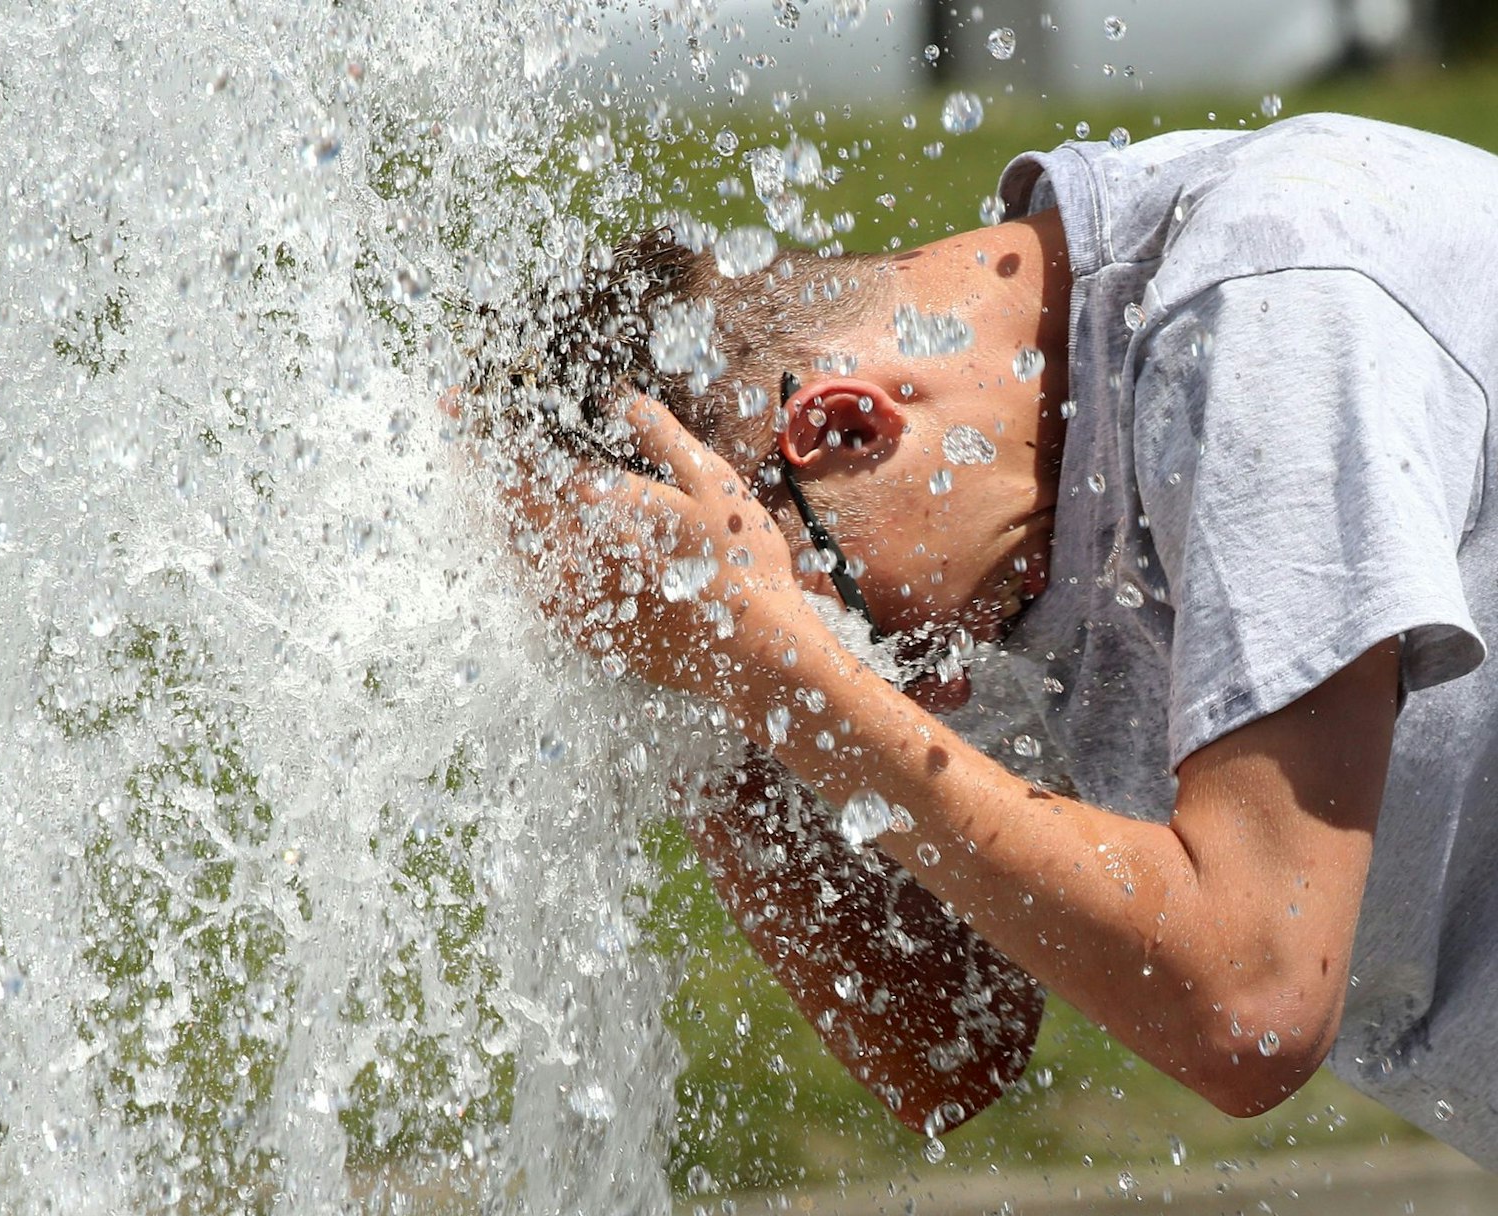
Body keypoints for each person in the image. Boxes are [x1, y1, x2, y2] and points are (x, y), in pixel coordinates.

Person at [478, 112, 1498, 1163]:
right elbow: (946, 1042)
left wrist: (767, 655)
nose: (944, 691)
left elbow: (1248, 997)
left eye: (849, 635)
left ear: (840, 428)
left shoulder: (1266, 306)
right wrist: (709, 676)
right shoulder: (993, 498)